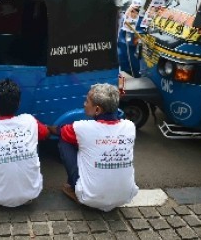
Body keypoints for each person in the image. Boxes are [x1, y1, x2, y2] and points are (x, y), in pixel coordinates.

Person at [51, 83, 139, 212]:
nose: (84, 104)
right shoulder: (129, 126)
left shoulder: (82, 128)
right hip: (125, 196)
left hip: (89, 198)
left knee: (65, 140)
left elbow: (58, 131)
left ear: (97, 110)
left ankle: (73, 186)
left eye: (87, 101)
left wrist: (40, 127)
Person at [0, 78, 50, 207]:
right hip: (32, 194)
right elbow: (45, 133)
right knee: (34, 133)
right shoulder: (29, 120)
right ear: (18, 104)